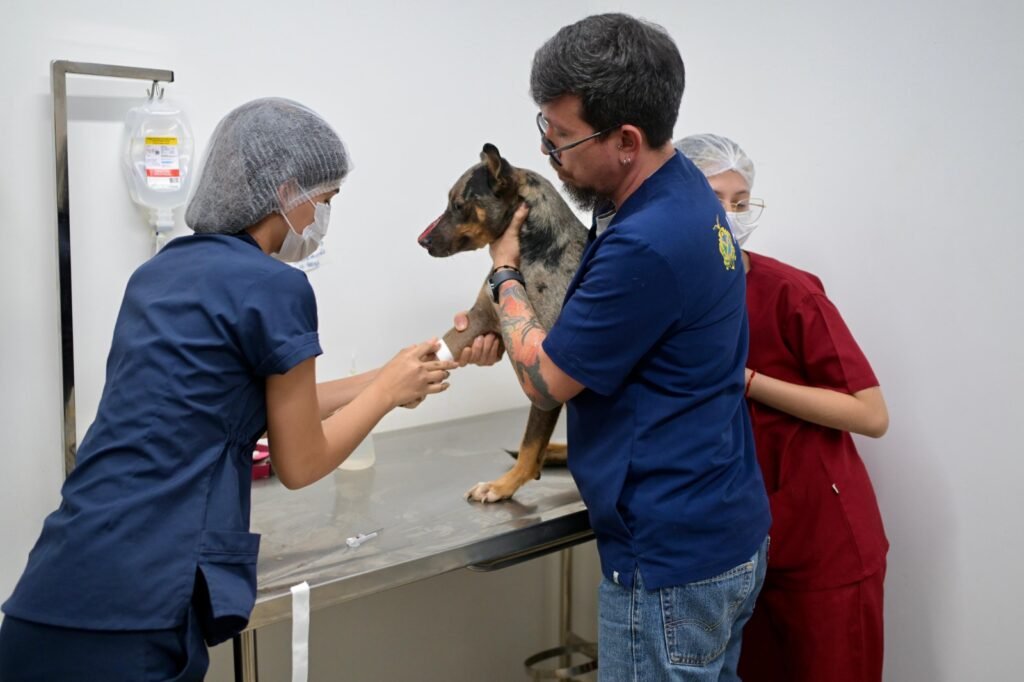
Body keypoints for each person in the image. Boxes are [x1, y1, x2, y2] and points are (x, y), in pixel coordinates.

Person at [0, 98, 461, 681]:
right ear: (287, 193)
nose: (324, 217)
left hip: (54, 586)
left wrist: (391, 373)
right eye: (325, 200)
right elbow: (301, 461)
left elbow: (247, 404)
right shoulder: (276, 287)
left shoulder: (157, 274)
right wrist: (388, 394)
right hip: (139, 605)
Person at [483, 14, 771, 681]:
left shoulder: (647, 242)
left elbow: (545, 382)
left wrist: (505, 277)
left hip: (671, 566)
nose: (550, 152)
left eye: (562, 136)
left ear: (626, 141)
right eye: (544, 129)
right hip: (723, 528)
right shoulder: (683, 187)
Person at [676, 133, 890, 682]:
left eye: (741, 201)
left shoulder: (788, 291)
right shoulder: (672, 298)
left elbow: (870, 414)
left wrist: (749, 381)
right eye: (714, 199)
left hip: (821, 539)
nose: (730, 215)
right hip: (738, 550)